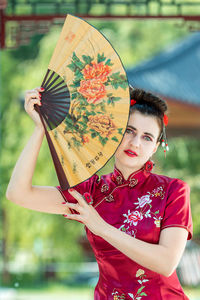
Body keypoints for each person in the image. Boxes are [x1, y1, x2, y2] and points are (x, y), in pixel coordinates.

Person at [6, 85, 193, 300]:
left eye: (147, 137)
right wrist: (40, 129)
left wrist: (101, 227)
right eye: (128, 131)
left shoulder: (173, 191)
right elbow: (18, 194)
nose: (135, 143)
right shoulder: (92, 193)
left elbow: (166, 263)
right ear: (114, 132)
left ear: (155, 147)